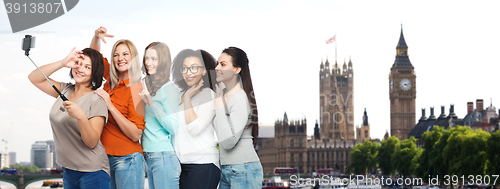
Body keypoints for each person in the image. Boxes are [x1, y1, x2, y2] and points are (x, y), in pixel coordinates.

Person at [28, 47, 110, 189]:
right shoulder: (64, 89)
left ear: (95, 72)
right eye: (78, 63)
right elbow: (34, 78)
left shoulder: (96, 100)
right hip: (69, 170)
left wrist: (81, 116)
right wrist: (63, 62)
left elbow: (91, 142)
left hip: (92, 172)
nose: (80, 69)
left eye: (87, 67)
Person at [91, 26, 146, 189]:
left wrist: (110, 106)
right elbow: (94, 58)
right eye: (116, 55)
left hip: (128, 159)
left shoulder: (137, 89)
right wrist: (96, 37)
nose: (120, 58)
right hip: (104, 159)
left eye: (125, 54)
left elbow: (136, 134)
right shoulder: (110, 81)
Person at [214, 47, 263, 189]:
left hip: (243, 168)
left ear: (237, 69)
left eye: (223, 64)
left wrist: (219, 108)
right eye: (217, 63)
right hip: (226, 168)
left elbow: (229, 141)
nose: (217, 68)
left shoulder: (240, 98)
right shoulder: (221, 95)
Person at [171, 49, 220, 189]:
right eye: (185, 68)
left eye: (194, 67)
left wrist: (187, 99)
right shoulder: (177, 95)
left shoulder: (209, 95)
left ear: (204, 71)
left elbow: (194, 128)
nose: (189, 72)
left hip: (203, 163)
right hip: (181, 163)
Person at [138, 42, 181, 189]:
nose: (149, 63)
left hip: (163, 156)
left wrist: (150, 102)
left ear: (163, 62)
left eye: (154, 59)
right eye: (147, 58)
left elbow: (173, 127)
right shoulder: (147, 85)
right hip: (150, 155)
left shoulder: (169, 89)